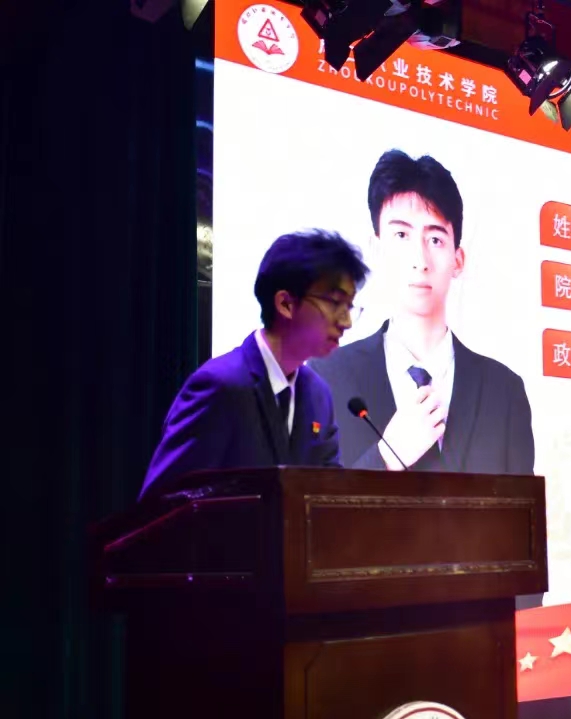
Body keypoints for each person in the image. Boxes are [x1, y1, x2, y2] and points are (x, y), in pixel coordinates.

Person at [310, 149, 534, 475]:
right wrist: (387, 457)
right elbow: (310, 501)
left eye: (436, 239)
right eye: (401, 235)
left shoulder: (504, 391)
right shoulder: (326, 379)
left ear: (458, 260)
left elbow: (522, 506)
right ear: (376, 249)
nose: (420, 259)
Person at [139, 229, 368, 500]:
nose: (346, 322)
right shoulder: (222, 385)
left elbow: (328, 495)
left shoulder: (317, 394)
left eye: (350, 307)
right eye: (335, 303)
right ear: (285, 303)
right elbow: (162, 501)